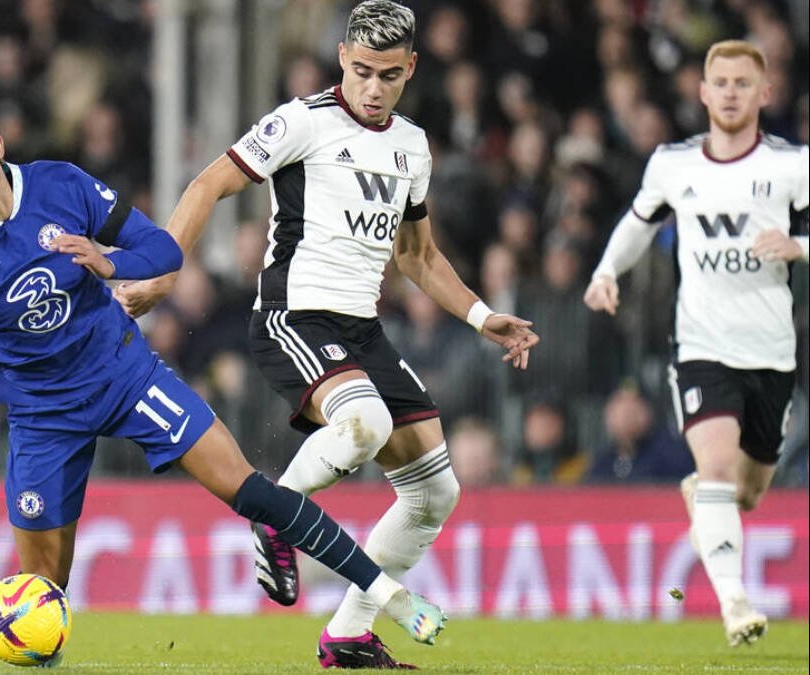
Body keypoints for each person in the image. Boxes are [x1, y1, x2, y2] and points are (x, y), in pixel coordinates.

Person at [0, 82, 448, 662]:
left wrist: (110, 261)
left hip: (124, 376)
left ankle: (391, 597)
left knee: (249, 488)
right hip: (42, 414)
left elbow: (162, 250)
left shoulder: (60, 184)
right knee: (39, 596)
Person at [116, 2, 538, 668]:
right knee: (364, 421)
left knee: (435, 493)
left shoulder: (412, 146)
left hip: (362, 330)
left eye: (389, 76)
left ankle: (347, 633)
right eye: (363, 70)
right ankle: (276, 510)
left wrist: (485, 317)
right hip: (294, 316)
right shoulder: (302, 121)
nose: (373, 88)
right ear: (343, 55)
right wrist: (165, 272)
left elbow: (418, 257)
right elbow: (208, 183)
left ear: (411, 70)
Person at [584, 40, 808, 646]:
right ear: (703, 93)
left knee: (750, 493)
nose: (731, 92)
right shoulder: (674, 164)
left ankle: (708, 498)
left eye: (743, 82)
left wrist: (799, 247)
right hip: (702, 346)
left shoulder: (793, 166)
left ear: (764, 94)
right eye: (721, 82)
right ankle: (735, 605)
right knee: (714, 468)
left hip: (772, 352)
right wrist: (607, 272)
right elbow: (638, 222)